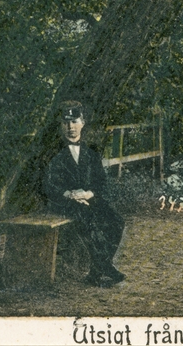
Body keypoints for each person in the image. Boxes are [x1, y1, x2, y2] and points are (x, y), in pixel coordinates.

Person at [44, 101, 126, 287]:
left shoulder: (91, 154)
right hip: (64, 203)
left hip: (88, 199)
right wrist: (69, 194)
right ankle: (105, 266)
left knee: (116, 221)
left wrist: (88, 194)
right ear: (60, 126)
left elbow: (102, 183)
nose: (71, 127)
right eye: (66, 123)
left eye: (74, 121)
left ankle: (97, 270)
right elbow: (49, 185)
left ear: (83, 123)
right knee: (89, 218)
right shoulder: (53, 154)